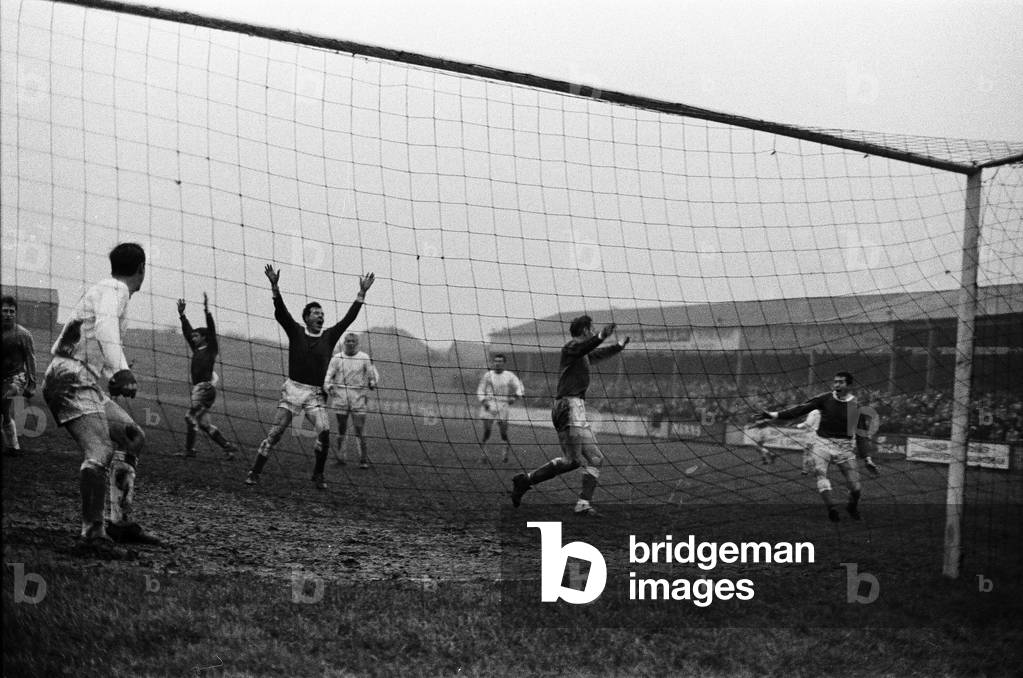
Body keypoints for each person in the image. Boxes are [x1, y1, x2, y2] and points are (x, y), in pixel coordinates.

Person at [41, 243, 160, 553]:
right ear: (142, 269)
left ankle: (119, 524)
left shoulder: (107, 288)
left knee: (132, 437)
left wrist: (113, 373)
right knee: (99, 449)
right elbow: (106, 327)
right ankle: (92, 534)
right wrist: (121, 371)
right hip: (70, 377)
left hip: (81, 378)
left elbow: (96, 336)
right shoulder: (116, 289)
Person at [245, 264, 374, 490]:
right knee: (275, 434)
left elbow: (348, 319)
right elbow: (281, 313)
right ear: (306, 318)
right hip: (293, 390)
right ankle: (255, 471)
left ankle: (318, 474)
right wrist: (275, 287)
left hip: (315, 394)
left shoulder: (330, 336)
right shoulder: (295, 331)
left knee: (324, 431)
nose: (321, 316)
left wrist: (361, 294)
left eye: (322, 314)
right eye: (316, 313)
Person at [510, 316, 629, 516]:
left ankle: (582, 503)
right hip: (569, 406)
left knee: (595, 458)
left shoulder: (582, 354)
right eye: (591, 329)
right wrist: (601, 335)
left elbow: (597, 353)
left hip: (576, 407)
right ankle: (525, 481)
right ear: (584, 331)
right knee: (572, 460)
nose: (592, 332)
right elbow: (588, 347)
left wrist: (617, 346)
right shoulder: (571, 348)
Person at [755, 371, 863, 522]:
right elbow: (800, 409)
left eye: (841, 382)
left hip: (843, 448)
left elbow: (860, 433)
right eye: (835, 382)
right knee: (820, 472)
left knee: (856, 488)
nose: (836, 384)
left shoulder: (855, 406)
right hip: (822, 442)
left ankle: (852, 506)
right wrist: (774, 415)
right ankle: (831, 508)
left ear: (849, 385)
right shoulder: (824, 399)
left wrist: (867, 457)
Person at [176, 293, 237, 459]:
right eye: (193, 336)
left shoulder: (211, 349)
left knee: (190, 417)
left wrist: (207, 311)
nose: (193, 338)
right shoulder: (196, 350)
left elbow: (212, 330)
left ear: (204, 337)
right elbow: (188, 331)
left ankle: (189, 450)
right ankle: (228, 447)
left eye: (196, 336)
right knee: (204, 424)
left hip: (205, 388)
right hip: (198, 389)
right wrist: (182, 316)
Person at [324, 333, 379, 468]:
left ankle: (363, 459)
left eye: (353, 341)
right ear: (344, 343)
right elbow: (328, 376)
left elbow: (373, 374)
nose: (350, 343)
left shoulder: (364, 358)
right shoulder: (337, 358)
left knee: (359, 428)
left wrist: (373, 382)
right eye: (348, 341)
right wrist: (328, 386)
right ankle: (341, 458)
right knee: (341, 427)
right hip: (340, 396)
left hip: (358, 396)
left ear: (357, 343)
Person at [2, 295, 37, 456]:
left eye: (11, 311)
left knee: (3, 401)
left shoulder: (23, 334)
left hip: (16, 378)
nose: (8, 314)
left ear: (15, 313)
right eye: (5, 311)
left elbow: (31, 359)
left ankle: (12, 445)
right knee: (4, 412)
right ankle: (13, 446)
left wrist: (32, 383)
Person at [476, 353, 524, 463]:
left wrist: (514, 397)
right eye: (496, 361)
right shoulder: (488, 375)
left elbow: (519, 387)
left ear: (504, 363)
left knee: (503, 432)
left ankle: (505, 454)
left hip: (503, 404)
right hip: (489, 403)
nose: (497, 363)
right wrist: (484, 401)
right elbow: (480, 389)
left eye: (500, 361)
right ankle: (484, 455)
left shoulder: (509, 375)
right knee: (487, 430)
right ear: (493, 362)